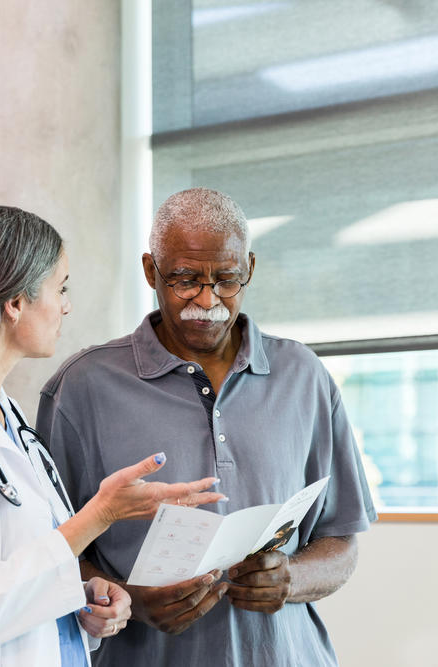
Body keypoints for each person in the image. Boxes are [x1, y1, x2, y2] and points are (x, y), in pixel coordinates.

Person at [0, 206, 225, 666]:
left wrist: (83, 599)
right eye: (60, 288)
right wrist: (100, 514)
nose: (66, 305)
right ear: (15, 302)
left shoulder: (4, 413)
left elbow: (15, 577)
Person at [38, 188, 377, 666]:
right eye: (185, 279)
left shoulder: (304, 376)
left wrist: (291, 579)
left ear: (250, 269)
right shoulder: (82, 387)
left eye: (227, 279)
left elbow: (341, 541)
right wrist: (130, 599)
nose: (207, 299)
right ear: (151, 271)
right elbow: (46, 554)